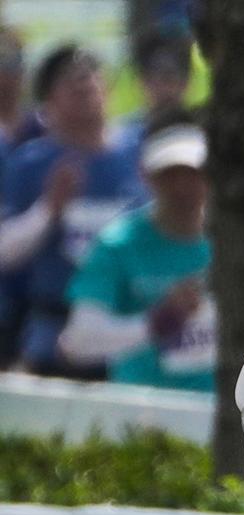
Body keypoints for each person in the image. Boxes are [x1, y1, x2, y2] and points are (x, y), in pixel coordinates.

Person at [0, 45, 143, 376]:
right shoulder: (30, 165)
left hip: (132, 333)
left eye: (92, 73)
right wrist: (49, 208)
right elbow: (5, 253)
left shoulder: (140, 153)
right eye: (68, 79)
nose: (83, 81)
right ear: (48, 101)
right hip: (53, 335)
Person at [58, 114, 212, 390]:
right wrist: (157, 323)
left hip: (222, 414)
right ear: (146, 176)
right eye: (169, 175)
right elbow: (78, 341)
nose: (182, 187)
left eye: (192, 173)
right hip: (141, 414)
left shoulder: (235, 246)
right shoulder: (118, 245)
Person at [114, 27, 194, 155]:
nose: (165, 88)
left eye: (170, 77)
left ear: (187, 82)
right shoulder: (121, 140)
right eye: (155, 77)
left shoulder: (201, 135)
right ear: (141, 81)